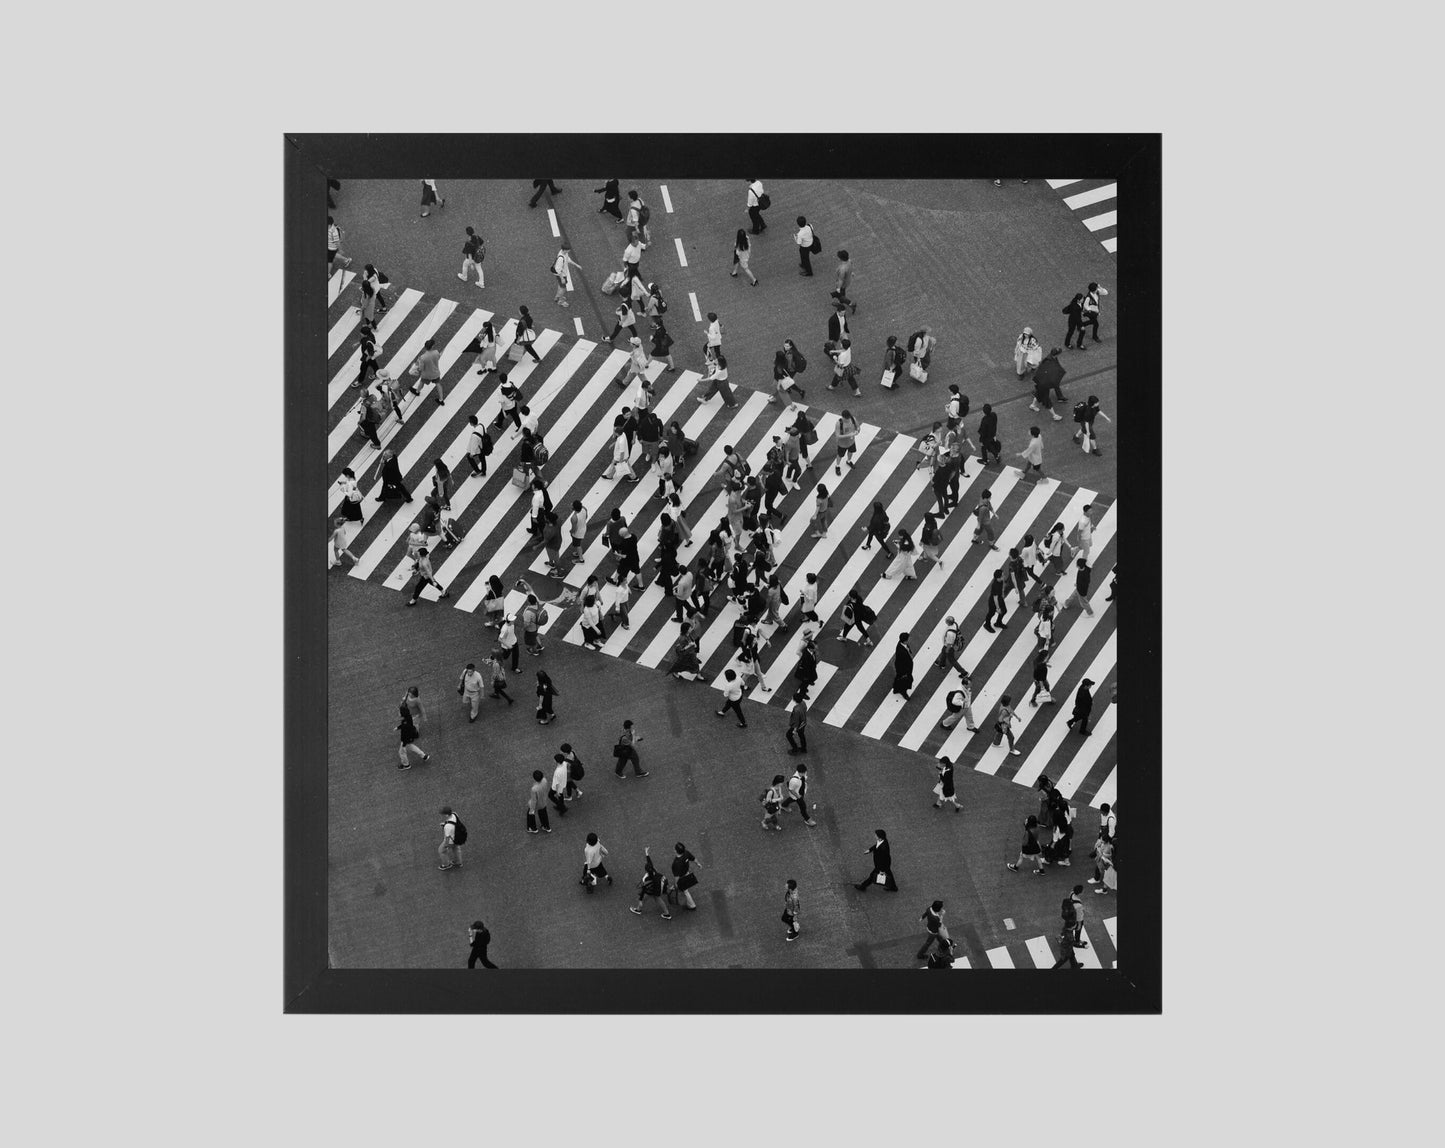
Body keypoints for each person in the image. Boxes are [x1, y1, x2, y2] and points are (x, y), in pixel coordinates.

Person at [629, 848, 672, 919]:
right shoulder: (654, 871)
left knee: (652, 897)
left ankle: (638, 909)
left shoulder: (646, 878)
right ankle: (666, 913)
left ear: (646, 870)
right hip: (660, 883)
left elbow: (644, 889)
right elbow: (650, 863)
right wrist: (647, 854)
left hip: (655, 888)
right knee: (655, 897)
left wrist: (640, 899)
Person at [396, 696, 429, 770]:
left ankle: (406, 765)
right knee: (411, 747)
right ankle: (423, 755)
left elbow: (404, 734)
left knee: (401, 752)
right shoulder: (408, 717)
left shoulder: (404, 723)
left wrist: (404, 743)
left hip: (406, 740)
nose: (398, 713)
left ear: (402, 714)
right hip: (410, 738)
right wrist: (398, 727)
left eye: (399, 712)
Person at [670, 842, 701, 911]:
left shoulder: (676, 863)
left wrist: (675, 884)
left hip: (681, 878)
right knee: (684, 888)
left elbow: (677, 877)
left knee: (685, 891)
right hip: (686, 873)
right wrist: (698, 864)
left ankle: (692, 905)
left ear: (676, 851)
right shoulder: (686, 853)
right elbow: (693, 859)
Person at [525, 769, 553, 834]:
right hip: (543, 801)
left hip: (537, 804)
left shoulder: (534, 789)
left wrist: (532, 810)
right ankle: (546, 826)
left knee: (530, 814)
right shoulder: (544, 781)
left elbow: (534, 800)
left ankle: (533, 828)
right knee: (543, 814)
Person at [437, 806, 463, 870]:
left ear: (446, 815)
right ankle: (458, 862)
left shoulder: (448, 827)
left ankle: (446, 865)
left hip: (451, 840)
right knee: (456, 849)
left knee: (441, 850)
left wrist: (447, 845)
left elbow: (447, 837)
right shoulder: (455, 814)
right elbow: (454, 823)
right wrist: (445, 824)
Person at [983, 568, 1009, 632]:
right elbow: (995, 598)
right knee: (991, 613)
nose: (1004, 576)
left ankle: (998, 623)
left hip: (1000, 598)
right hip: (993, 601)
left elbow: (1002, 586)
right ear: (998, 578)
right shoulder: (995, 585)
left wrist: (1002, 594)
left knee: (1004, 611)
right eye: (1002, 576)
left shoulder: (1000, 581)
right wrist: (998, 608)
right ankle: (987, 624)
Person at [891, 633, 914, 699]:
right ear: (905, 641)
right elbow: (900, 662)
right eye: (908, 639)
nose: (909, 640)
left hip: (903, 667)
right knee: (908, 680)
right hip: (904, 669)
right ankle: (903, 692)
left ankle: (896, 688)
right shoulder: (901, 651)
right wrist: (905, 671)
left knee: (899, 678)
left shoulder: (902, 644)